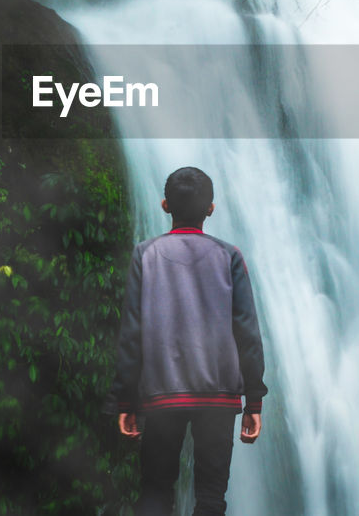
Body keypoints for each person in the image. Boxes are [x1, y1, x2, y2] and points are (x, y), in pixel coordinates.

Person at [105, 166, 267, 515]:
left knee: (155, 491)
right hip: (219, 395)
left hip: (163, 391)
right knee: (211, 497)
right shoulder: (230, 256)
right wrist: (253, 401)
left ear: (165, 205)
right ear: (211, 208)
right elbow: (247, 332)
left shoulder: (144, 255)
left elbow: (132, 332)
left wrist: (125, 401)